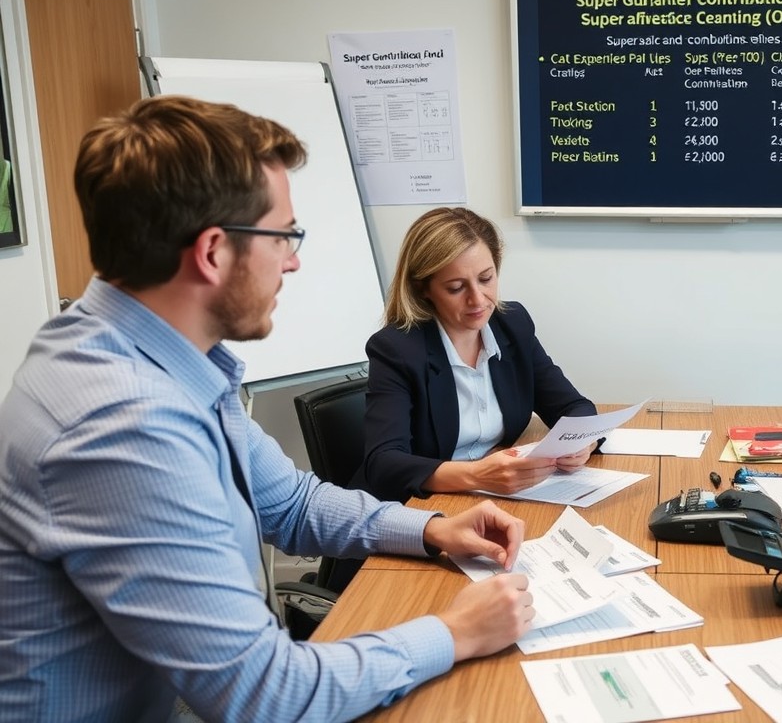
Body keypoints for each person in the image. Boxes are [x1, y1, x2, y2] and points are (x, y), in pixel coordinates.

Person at [0, 95, 536, 721]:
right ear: (212, 252)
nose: (293, 259)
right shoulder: (122, 424)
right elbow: (263, 694)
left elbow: (293, 502)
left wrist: (432, 529)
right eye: (283, 235)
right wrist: (455, 633)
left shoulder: (159, 357)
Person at [353, 206, 597, 504]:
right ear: (423, 289)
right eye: (456, 287)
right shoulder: (397, 349)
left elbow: (574, 406)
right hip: (419, 504)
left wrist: (582, 442)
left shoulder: (513, 324)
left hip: (494, 497)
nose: (478, 299)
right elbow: (384, 463)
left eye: (486, 279)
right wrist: (477, 475)